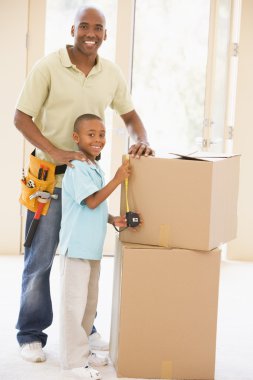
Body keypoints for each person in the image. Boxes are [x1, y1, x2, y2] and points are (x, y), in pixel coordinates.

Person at [14, 4, 154, 363]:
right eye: (83, 27)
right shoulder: (48, 66)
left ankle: (85, 329)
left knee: (87, 259)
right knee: (40, 259)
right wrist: (56, 152)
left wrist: (141, 138)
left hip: (87, 182)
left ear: (105, 34)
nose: (90, 33)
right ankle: (31, 333)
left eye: (98, 28)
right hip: (47, 178)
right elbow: (21, 117)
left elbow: (130, 116)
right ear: (72, 30)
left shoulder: (111, 74)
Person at [59, 113, 132, 380]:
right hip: (76, 248)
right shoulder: (77, 167)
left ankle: (84, 349)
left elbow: (96, 206)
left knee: (89, 305)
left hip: (91, 249)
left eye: (101, 134)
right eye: (91, 134)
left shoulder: (93, 167)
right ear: (77, 138)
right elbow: (90, 201)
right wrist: (117, 179)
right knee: (74, 305)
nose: (98, 139)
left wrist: (112, 218)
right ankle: (73, 362)